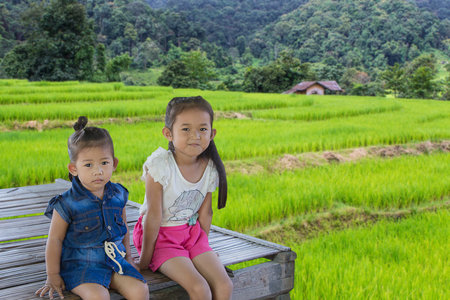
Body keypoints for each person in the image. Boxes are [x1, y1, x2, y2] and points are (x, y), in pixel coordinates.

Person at [36, 116, 149, 300]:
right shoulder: (67, 203)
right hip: (82, 266)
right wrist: (53, 276)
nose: (98, 171)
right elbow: (55, 240)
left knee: (140, 290)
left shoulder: (118, 194)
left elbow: (124, 229)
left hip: (115, 261)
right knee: (99, 297)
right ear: (73, 168)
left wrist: (128, 257)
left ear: (114, 163)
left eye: (104, 163)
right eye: (88, 165)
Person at [133, 96, 233, 300]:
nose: (195, 136)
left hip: (191, 235)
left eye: (202, 129)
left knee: (224, 285)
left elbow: (205, 213)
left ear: (212, 133)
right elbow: (152, 216)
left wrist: (203, 248)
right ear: (168, 133)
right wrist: (144, 261)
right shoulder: (160, 166)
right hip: (160, 238)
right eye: (186, 129)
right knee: (200, 288)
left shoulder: (210, 167)